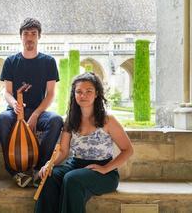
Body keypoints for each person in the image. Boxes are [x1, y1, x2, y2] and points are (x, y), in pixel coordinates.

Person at [35, 72, 134, 213]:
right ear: (74, 95)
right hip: (75, 165)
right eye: (79, 92)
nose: (83, 95)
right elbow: (63, 151)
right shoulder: (71, 120)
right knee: (51, 176)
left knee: (72, 179)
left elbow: (128, 150)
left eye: (89, 91)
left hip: (103, 172)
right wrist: (49, 164)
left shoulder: (108, 120)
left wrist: (106, 169)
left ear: (96, 94)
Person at [0, 17, 63, 188]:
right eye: (26, 34)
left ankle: (38, 170)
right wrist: (14, 105)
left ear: (38, 37)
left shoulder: (48, 62)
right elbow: (7, 92)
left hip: (38, 111)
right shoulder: (11, 62)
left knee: (56, 120)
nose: (29, 37)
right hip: (15, 110)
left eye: (33, 34)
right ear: (21, 37)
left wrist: (35, 114)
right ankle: (14, 172)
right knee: (3, 119)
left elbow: (50, 95)